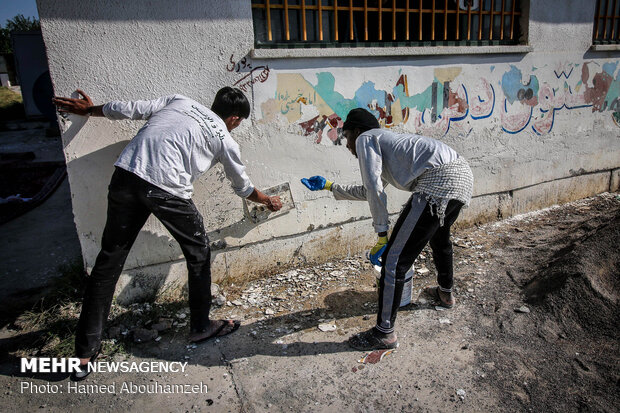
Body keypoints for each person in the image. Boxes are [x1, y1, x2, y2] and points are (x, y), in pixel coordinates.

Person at [53, 88, 282, 380]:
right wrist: (267, 201)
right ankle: (201, 326)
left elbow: (129, 106)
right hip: (167, 190)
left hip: (127, 174)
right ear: (234, 118)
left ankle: (84, 353)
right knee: (198, 253)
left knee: (109, 260)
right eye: (238, 122)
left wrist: (90, 110)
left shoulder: (180, 101)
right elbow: (244, 188)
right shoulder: (225, 138)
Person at [301, 108, 473, 350]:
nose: (348, 146)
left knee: (394, 261)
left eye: (347, 137)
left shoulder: (366, 139)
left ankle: (384, 333)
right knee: (440, 239)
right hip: (462, 177)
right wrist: (330, 186)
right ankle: (445, 294)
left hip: (438, 181)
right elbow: (370, 190)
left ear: (357, 132)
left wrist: (382, 235)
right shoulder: (388, 144)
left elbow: (373, 187)